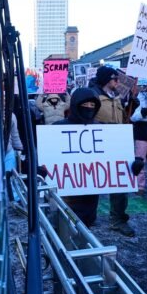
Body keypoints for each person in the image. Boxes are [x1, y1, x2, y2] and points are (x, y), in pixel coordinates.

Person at [92, 66, 136, 236]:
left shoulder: (117, 98)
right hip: (97, 145)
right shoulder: (92, 95)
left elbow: (123, 121)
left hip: (116, 145)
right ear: (106, 80)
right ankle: (89, 216)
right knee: (92, 181)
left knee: (120, 183)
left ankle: (118, 220)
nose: (118, 82)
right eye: (115, 79)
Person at [52, 88, 102, 227]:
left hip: (91, 192)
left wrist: (130, 166)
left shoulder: (100, 129)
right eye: (85, 105)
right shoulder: (57, 128)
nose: (89, 108)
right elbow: (48, 158)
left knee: (86, 226)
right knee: (65, 227)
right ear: (75, 105)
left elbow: (110, 161)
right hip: (67, 194)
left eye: (93, 105)